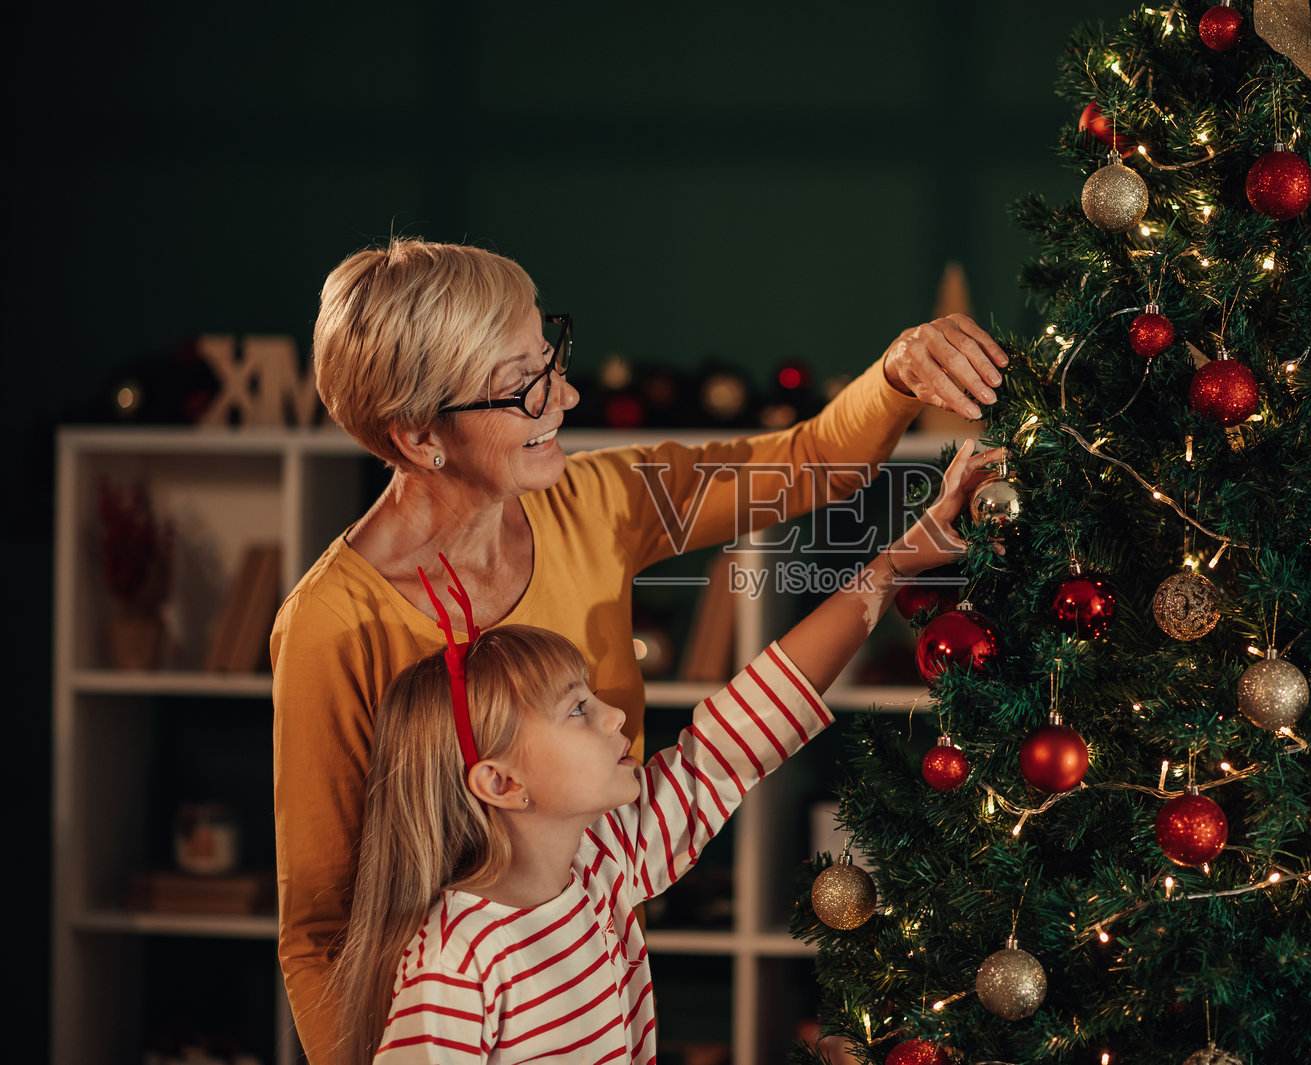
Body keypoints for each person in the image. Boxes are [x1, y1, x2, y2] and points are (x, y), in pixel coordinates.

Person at [271, 237, 1009, 1063]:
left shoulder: (596, 505)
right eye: (522, 386)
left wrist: (899, 377)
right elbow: (324, 929)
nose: (568, 394)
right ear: (417, 436)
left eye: (550, 356)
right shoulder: (332, 624)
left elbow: (799, 468)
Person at [328, 440, 997, 1064]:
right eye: (579, 709)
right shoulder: (455, 962)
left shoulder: (602, 864)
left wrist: (892, 565)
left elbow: (743, 729)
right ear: (502, 781)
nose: (616, 713)